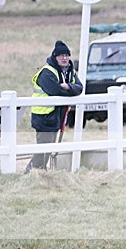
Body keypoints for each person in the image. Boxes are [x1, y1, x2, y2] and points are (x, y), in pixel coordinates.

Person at [25, 40, 83, 172]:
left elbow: (80, 88)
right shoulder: (47, 72)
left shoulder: (69, 72)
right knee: (42, 150)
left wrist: (68, 86)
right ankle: (31, 173)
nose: (64, 58)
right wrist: (70, 92)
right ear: (55, 57)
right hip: (43, 116)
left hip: (56, 117)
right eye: (61, 56)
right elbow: (55, 91)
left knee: (48, 148)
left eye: (66, 55)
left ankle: (37, 173)